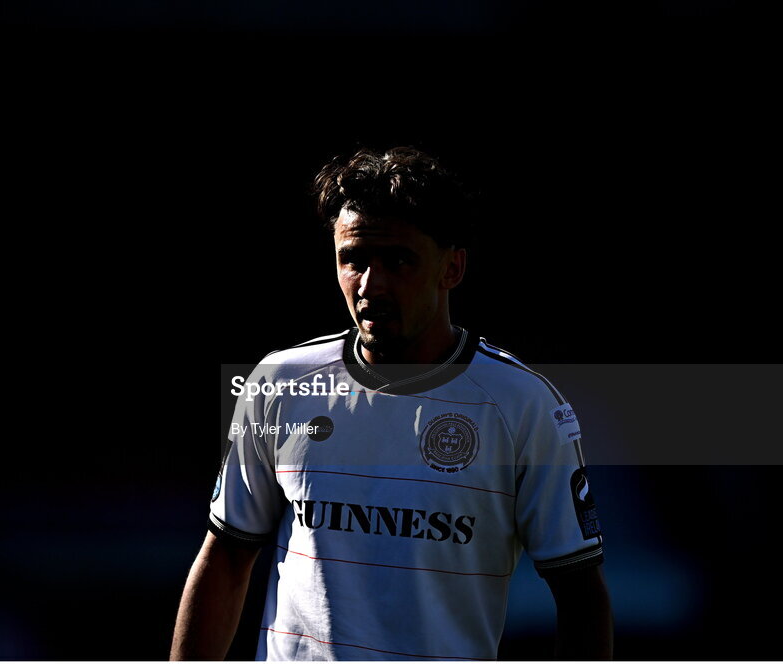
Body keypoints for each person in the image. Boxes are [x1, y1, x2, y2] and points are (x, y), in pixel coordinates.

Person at [171, 147, 613, 661]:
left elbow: (580, 595)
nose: (370, 284)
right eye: (352, 259)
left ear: (453, 267)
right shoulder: (282, 383)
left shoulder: (522, 406)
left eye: (398, 260)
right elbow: (226, 556)